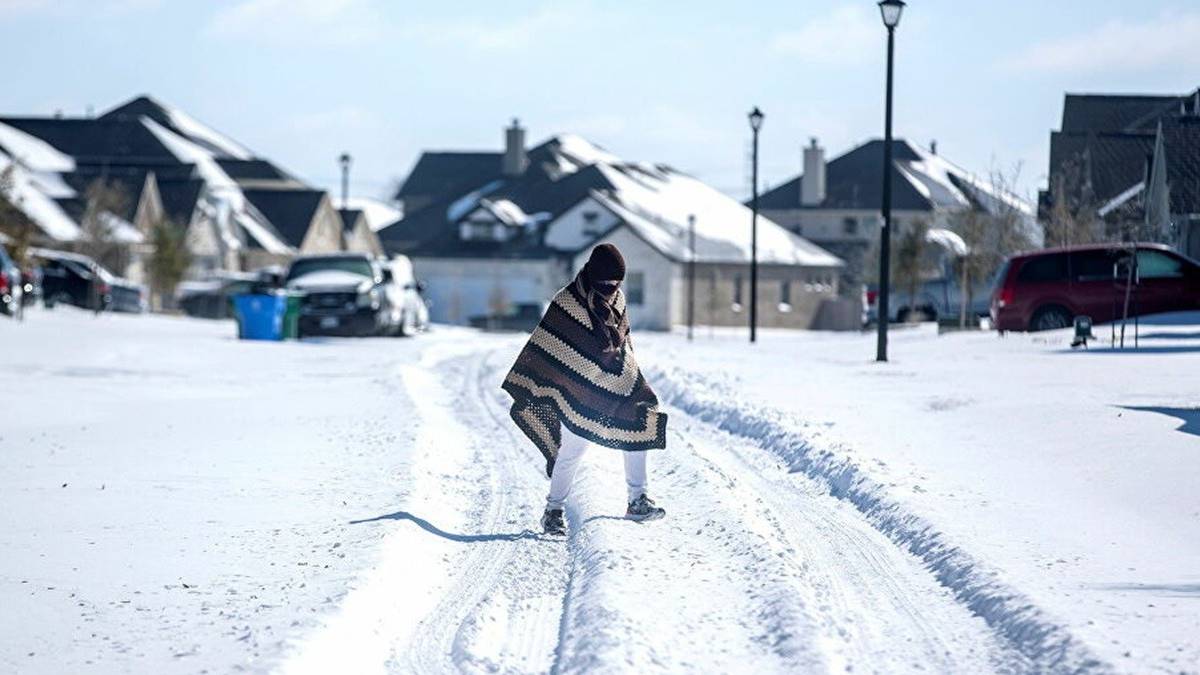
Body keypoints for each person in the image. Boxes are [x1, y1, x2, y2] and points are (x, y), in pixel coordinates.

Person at [501, 243, 667, 536]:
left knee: (640, 423)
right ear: (593, 275)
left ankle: (637, 499)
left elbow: (623, 345)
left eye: (617, 283)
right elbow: (551, 345)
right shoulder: (567, 301)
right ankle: (553, 511)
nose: (611, 287)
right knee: (572, 451)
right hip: (577, 390)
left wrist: (628, 376)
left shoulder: (618, 299)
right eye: (606, 282)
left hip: (616, 384)